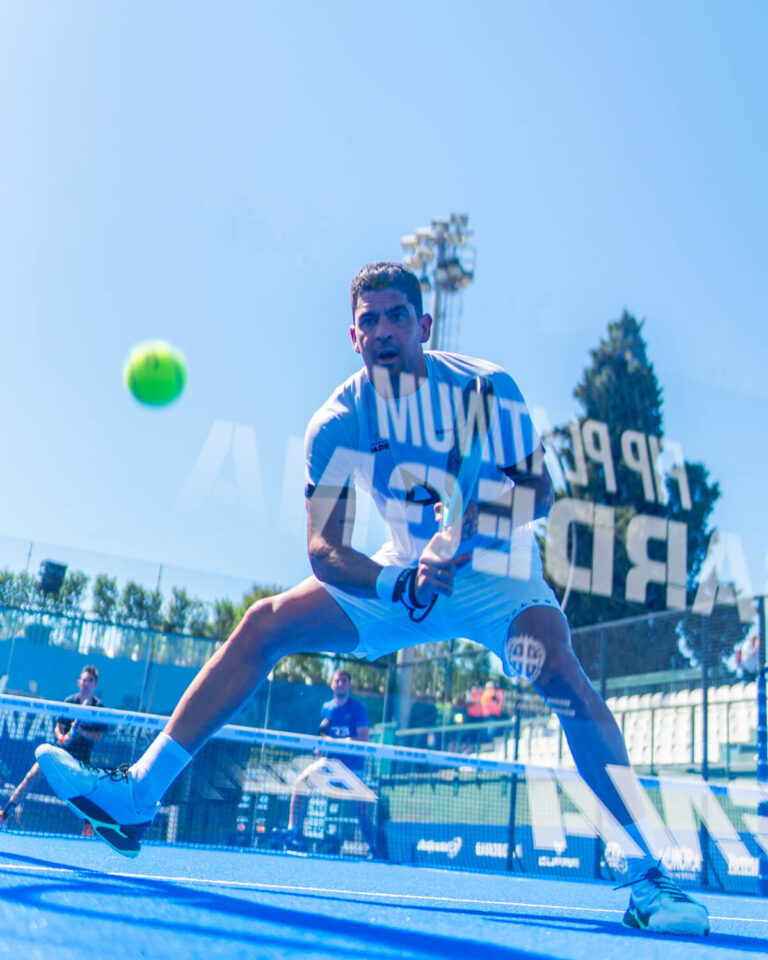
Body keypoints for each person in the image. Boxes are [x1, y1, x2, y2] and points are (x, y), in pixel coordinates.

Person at [36, 262, 708, 935]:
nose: (384, 331)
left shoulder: (486, 388)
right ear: (353, 337)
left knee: (560, 672)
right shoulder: (337, 422)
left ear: (424, 326)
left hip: (498, 573)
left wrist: (466, 530)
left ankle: (647, 878)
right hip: (401, 577)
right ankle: (137, 797)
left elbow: (538, 491)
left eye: (397, 317)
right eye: (370, 321)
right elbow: (323, 548)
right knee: (264, 624)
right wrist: (398, 582)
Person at [280, 668, 377, 856]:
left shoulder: (358, 709)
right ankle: (293, 833)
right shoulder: (327, 708)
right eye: (337, 681)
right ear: (332, 685)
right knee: (300, 784)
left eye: (344, 681)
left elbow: (363, 739)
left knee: (361, 807)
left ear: (349, 686)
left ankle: (373, 847)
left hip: (353, 768)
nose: (340, 684)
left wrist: (334, 742)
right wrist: (321, 745)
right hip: (329, 764)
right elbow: (324, 732)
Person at [1, 664, 106, 832]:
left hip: (81, 758)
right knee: (31, 776)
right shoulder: (70, 702)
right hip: (61, 752)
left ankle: (89, 824)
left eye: (90, 680)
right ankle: (5, 814)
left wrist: (80, 731)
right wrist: (61, 737)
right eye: (84, 680)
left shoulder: (98, 707)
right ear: (79, 682)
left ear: (95, 685)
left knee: (85, 791)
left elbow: (98, 736)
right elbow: (58, 728)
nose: (86, 683)